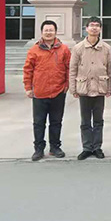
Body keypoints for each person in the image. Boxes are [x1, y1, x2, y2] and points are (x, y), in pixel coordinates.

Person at [23, 20, 71, 161]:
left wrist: (67, 84)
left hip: (58, 91)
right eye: (46, 30)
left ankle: (55, 147)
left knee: (56, 122)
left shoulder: (64, 49)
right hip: (39, 91)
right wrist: (28, 87)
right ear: (42, 32)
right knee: (39, 123)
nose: (48, 33)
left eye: (51, 30)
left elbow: (69, 68)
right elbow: (28, 70)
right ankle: (38, 149)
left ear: (55, 32)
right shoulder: (34, 50)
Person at [69, 17, 111, 160]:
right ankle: (87, 147)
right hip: (84, 88)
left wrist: (110, 88)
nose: (94, 28)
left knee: (99, 121)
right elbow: (73, 69)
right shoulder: (78, 48)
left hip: (100, 88)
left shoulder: (106, 48)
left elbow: (110, 69)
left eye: (97, 25)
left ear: (100, 28)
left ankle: (97, 147)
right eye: (91, 25)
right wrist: (73, 88)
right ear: (86, 28)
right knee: (85, 121)